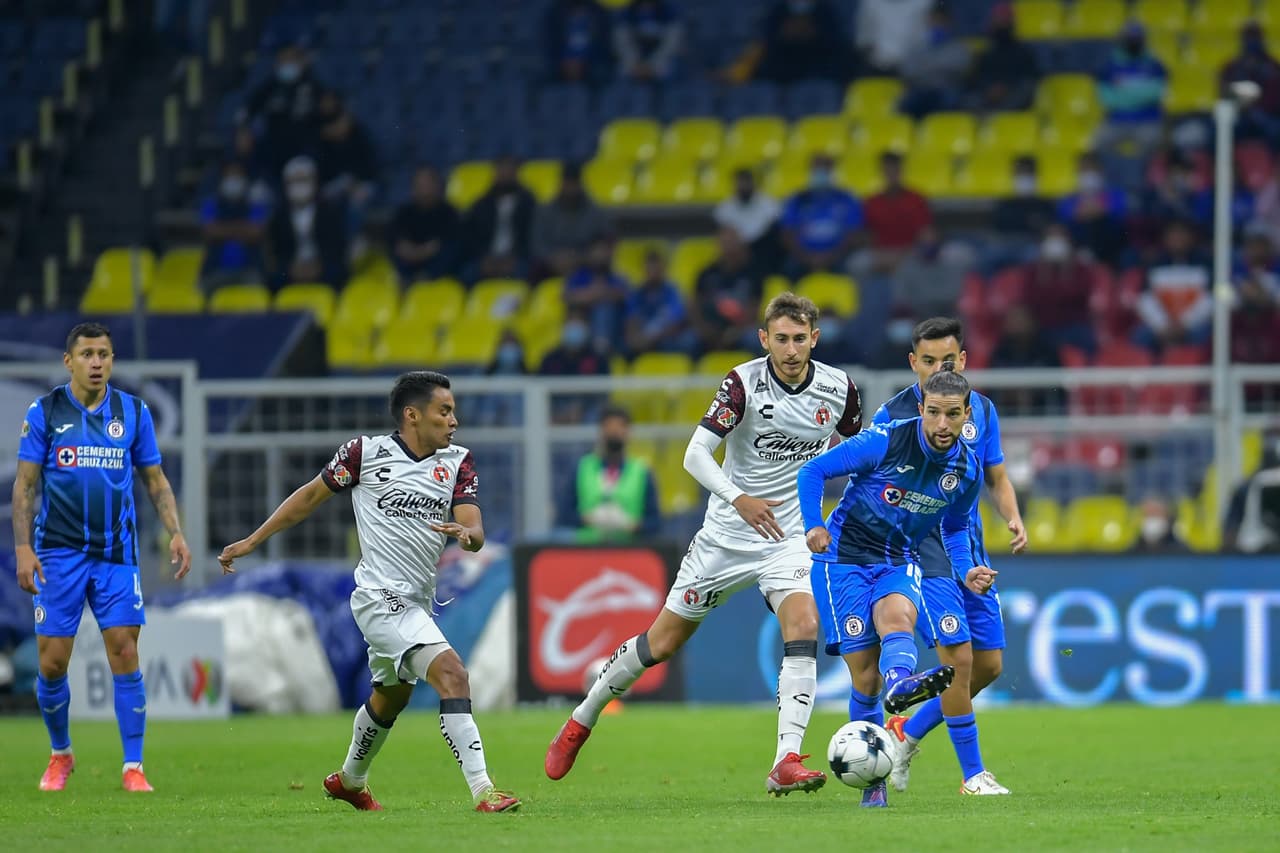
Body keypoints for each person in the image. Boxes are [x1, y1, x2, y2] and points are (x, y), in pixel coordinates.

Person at [546, 292, 863, 796]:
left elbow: (855, 454)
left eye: (800, 339)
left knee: (804, 624)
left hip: (788, 537)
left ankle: (785, 760)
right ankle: (582, 718)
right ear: (764, 339)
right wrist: (739, 499)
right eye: (781, 339)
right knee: (662, 642)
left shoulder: (839, 389)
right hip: (726, 536)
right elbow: (694, 455)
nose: (790, 349)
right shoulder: (743, 383)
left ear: (815, 339)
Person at [216, 371, 520, 813]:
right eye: (444, 411)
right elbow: (309, 497)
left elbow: (473, 528)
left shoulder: (458, 462)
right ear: (412, 415)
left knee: (392, 696)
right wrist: (251, 541)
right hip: (378, 597)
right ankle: (484, 791)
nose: (454, 420)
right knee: (453, 674)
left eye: (453, 411)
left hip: (417, 601)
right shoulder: (365, 454)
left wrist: (468, 537)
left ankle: (349, 780)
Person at [797, 366, 992, 808]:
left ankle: (901, 684)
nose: (943, 424)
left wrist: (965, 571)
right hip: (842, 560)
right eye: (934, 412)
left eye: (953, 414)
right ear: (921, 408)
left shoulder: (966, 469)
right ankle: (873, 782)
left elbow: (955, 528)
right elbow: (813, 471)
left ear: (967, 415)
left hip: (898, 559)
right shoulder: (885, 440)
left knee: (897, 616)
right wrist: (813, 526)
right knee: (865, 677)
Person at [13, 322, 192, 793]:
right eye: (87, 354)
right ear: (68, 361)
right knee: (53, 662)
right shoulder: (45, 411)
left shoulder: (133, 412)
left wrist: (176, 532)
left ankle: (133, 765)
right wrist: (23, 548)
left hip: (115, 554)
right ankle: (61, 754)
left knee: (125, 650)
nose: (96, 363)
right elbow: (25, 485)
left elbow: (155, 480)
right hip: (57, 552)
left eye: (104, 354)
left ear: (112, 360)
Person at [866, 317, 1026, 801]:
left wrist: (1013, 517)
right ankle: (973, 775)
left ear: (964, 361)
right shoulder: (891, 418)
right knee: (957, 661)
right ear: (913, 363)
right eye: (929, 360)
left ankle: (906, 732)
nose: (940, 368)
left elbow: (996, 476)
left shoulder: (980, 411)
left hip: (967, 550)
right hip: (921, 556)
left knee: (988, 666)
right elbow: (869, 486)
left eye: (949, 360)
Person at [558, 405, 661, 542]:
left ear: (628, 432)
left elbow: (655, 522)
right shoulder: (582, 467)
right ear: (601, 431)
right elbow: (564, 515)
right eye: (609, 427)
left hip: (629, 549)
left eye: (619, 427)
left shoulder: (641, 471)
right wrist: (588, 519)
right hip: (587, 548)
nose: (614, 432)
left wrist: (632, 525)